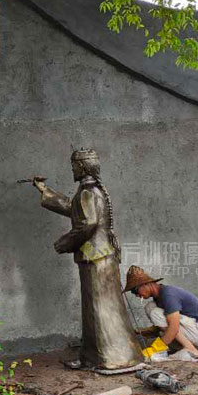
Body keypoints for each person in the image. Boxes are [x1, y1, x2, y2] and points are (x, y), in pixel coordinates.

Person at [33, 149, 143, 370]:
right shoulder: (90, 191)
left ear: (82, 167)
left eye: (74, 165)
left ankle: (108, 358)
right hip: (102, 256)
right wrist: (45, 191)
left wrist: (65, 243)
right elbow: (75, 211)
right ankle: (97, 357)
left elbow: (87, 224)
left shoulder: (88, 192)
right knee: (98, 311)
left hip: (95, 256)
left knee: (98, 311)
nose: (72, 169)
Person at [123, 265, 198, 358]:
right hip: (190, 331)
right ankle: (181, 347)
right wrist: (146, 331)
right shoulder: (158, 297)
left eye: (135, 291)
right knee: (150, 307)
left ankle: (191, 349)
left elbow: (173, 327)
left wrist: (155, 349)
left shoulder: (168, 294)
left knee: (155, 313)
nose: (137, 295)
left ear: (145, 284)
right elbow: (166, 324)